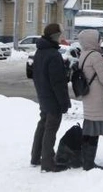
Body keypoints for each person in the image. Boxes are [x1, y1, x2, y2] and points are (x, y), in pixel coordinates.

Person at [30, 23, 71, 172]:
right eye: (60, 35)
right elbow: (58, 83)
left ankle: (35, 157)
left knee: (43, 125)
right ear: (55, 36)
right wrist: (64, 103)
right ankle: (48, 162)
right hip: (52, 99)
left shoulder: (40, 52)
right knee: (50, 130)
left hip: (43, 96)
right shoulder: (53, 55)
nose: (62, 37)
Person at [77, 29, 103, 170]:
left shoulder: (84, 54)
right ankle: (89, 163)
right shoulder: (95, 56)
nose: (100, 41)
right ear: (92, 40)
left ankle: (85, 159)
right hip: (97, 96)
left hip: (88, 95)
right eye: (98, 39)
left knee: (88, 129)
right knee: (94, 131)